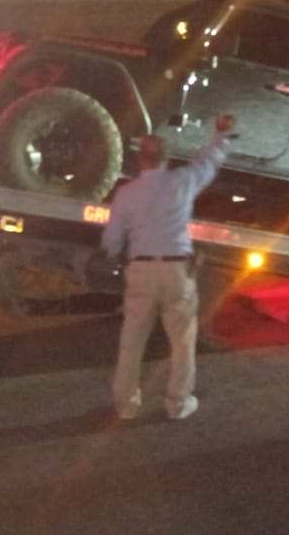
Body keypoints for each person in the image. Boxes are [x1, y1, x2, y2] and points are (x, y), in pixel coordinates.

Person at [102, 113, 235, 421]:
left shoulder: (127, 193)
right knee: (182, 342)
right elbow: (209, 162)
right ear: (168, 158)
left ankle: (126, 405)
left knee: (132, 341)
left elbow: (112, 239)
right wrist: (220, 135)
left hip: (142, 271)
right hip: (177, 271)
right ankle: (177, 403)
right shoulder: (182, 181)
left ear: (139, 161)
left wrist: (114, 255)